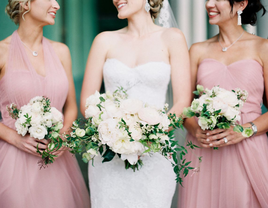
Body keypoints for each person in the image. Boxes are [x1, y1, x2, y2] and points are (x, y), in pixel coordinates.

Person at [80, 0, 191, 207]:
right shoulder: (104, 40)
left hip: (155, 154)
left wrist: (150, 136)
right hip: (109, 154)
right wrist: (116, 134)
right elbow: (87, 102)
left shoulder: (172, 38)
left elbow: (183, 101)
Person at [0, 0, 90, 207]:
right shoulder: (2, 52)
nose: (56, 5)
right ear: (25, 4)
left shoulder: (61, 51)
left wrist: (63, 136)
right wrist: (15, 138)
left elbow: (71, 107)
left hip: (57, 161)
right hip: (13, 160)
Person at [179, 0, 268, 207]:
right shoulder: (197, 50)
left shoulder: (262, 48)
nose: (209, 4)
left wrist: (246, 130)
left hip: (249, 148)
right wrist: (195, 129)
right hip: (203, 150)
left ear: (240, 4)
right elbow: (184, 108)